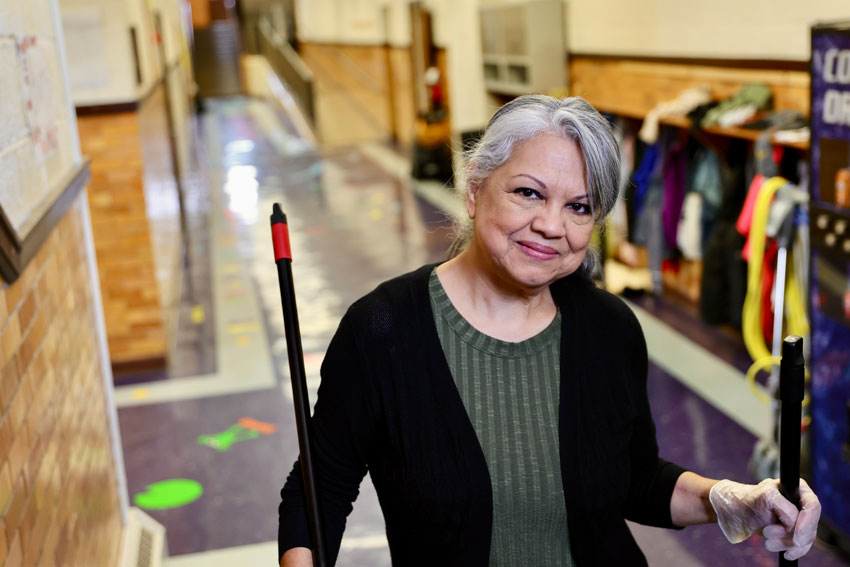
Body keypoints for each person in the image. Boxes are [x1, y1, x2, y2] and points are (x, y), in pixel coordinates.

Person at [278, 95, 821, 566]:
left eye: (579, 206)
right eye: (529, 193)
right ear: (473, 190)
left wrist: (735, 500)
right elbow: (316, 495)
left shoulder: (609, 329)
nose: (551, 226)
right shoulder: (383, 330)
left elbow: (633, 478)